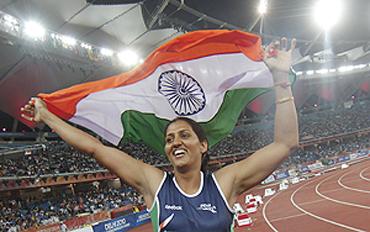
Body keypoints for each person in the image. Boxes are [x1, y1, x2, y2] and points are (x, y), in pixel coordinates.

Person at [21, 37, 298, 232]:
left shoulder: (224, 183)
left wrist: (280, 78)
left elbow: (285, 143)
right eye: (169, 139)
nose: (175, 141)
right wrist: (47, 116)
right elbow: (95, 148)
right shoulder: (155, 185)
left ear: (203, 145)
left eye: (184, 135)